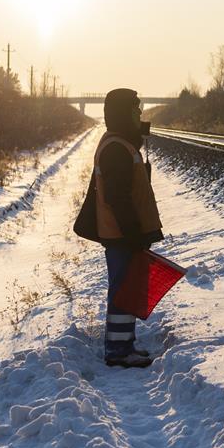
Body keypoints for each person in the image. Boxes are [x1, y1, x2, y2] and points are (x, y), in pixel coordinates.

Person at [90, 88, 164, 368]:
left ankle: (124, 344)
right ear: (123, 113)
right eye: (135, 109)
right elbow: (117, 197)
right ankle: (118, 351)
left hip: (123, 233)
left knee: (127, 288)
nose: (140, 113)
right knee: (122, 291)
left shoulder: (121, 144)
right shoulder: (116, 149)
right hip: (122, 234)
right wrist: (133, 235)